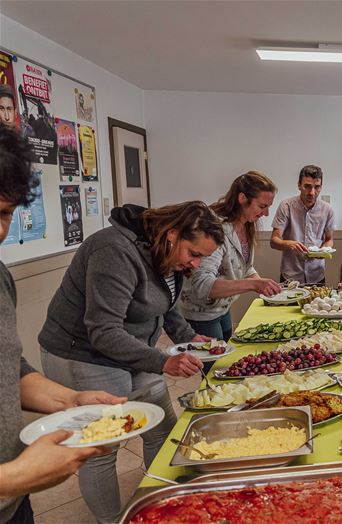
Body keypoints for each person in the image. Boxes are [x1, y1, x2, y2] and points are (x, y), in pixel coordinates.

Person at [37, 200, 224, 523]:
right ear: (173, 234)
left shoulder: (164, 251)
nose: (195, 264)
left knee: (163, 430)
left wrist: (187, 336)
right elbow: (104, 331)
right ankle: (112, 520)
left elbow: (165, 304)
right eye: (194, 254)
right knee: (103, 450)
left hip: (131, 350)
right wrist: (162, 361)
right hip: (82, 353)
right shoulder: (114, 250)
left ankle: (164, 506)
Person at [0, 124, 126, 524]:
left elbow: (10, 370)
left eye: (4, 214)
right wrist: (12, 477)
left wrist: (70, 400)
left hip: (13, 505)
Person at [179, 171, 282, 343]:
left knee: (226, 352)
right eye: (262, 206)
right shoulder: (215, 228)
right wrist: (254, 284)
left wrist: (266, 286)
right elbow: (203, 285)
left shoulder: (247, 225)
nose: (266, 213)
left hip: (223, 308)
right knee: (214, 358)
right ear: (242, 198)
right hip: (201, 313)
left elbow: (245, 267)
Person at [270, 165, 335, 284]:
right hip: (290, 274)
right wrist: (289, 244)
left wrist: (324, 250)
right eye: (307, 186)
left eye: (317, 187)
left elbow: (329, 239)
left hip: (317, 274)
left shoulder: (327, 210)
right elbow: (274, 240)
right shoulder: (286, 206)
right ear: (299, 185)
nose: (312, 192)